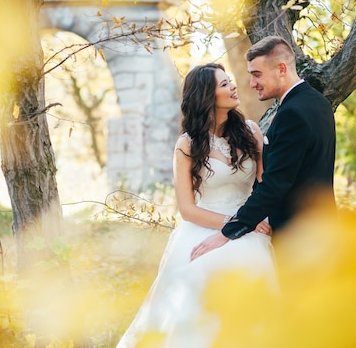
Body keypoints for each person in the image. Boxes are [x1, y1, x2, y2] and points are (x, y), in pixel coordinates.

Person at [116, 63, 277, 348]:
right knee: (199, 300)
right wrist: (235, 224)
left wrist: (255, 221)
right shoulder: (187, 145)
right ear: (207, 95)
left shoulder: (251, 131)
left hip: (251, 228)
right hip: (204, 227)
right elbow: (188, 209)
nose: (234, 86)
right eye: (225, 84)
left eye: (230, 81)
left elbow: (265, 185)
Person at [191, 35, 336, 261]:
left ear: (281, 69)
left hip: (297, 234)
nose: (251, 83)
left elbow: (275, 184)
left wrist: (228, 232)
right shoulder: (318, 102)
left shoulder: (292, 114)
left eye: (257, 74)